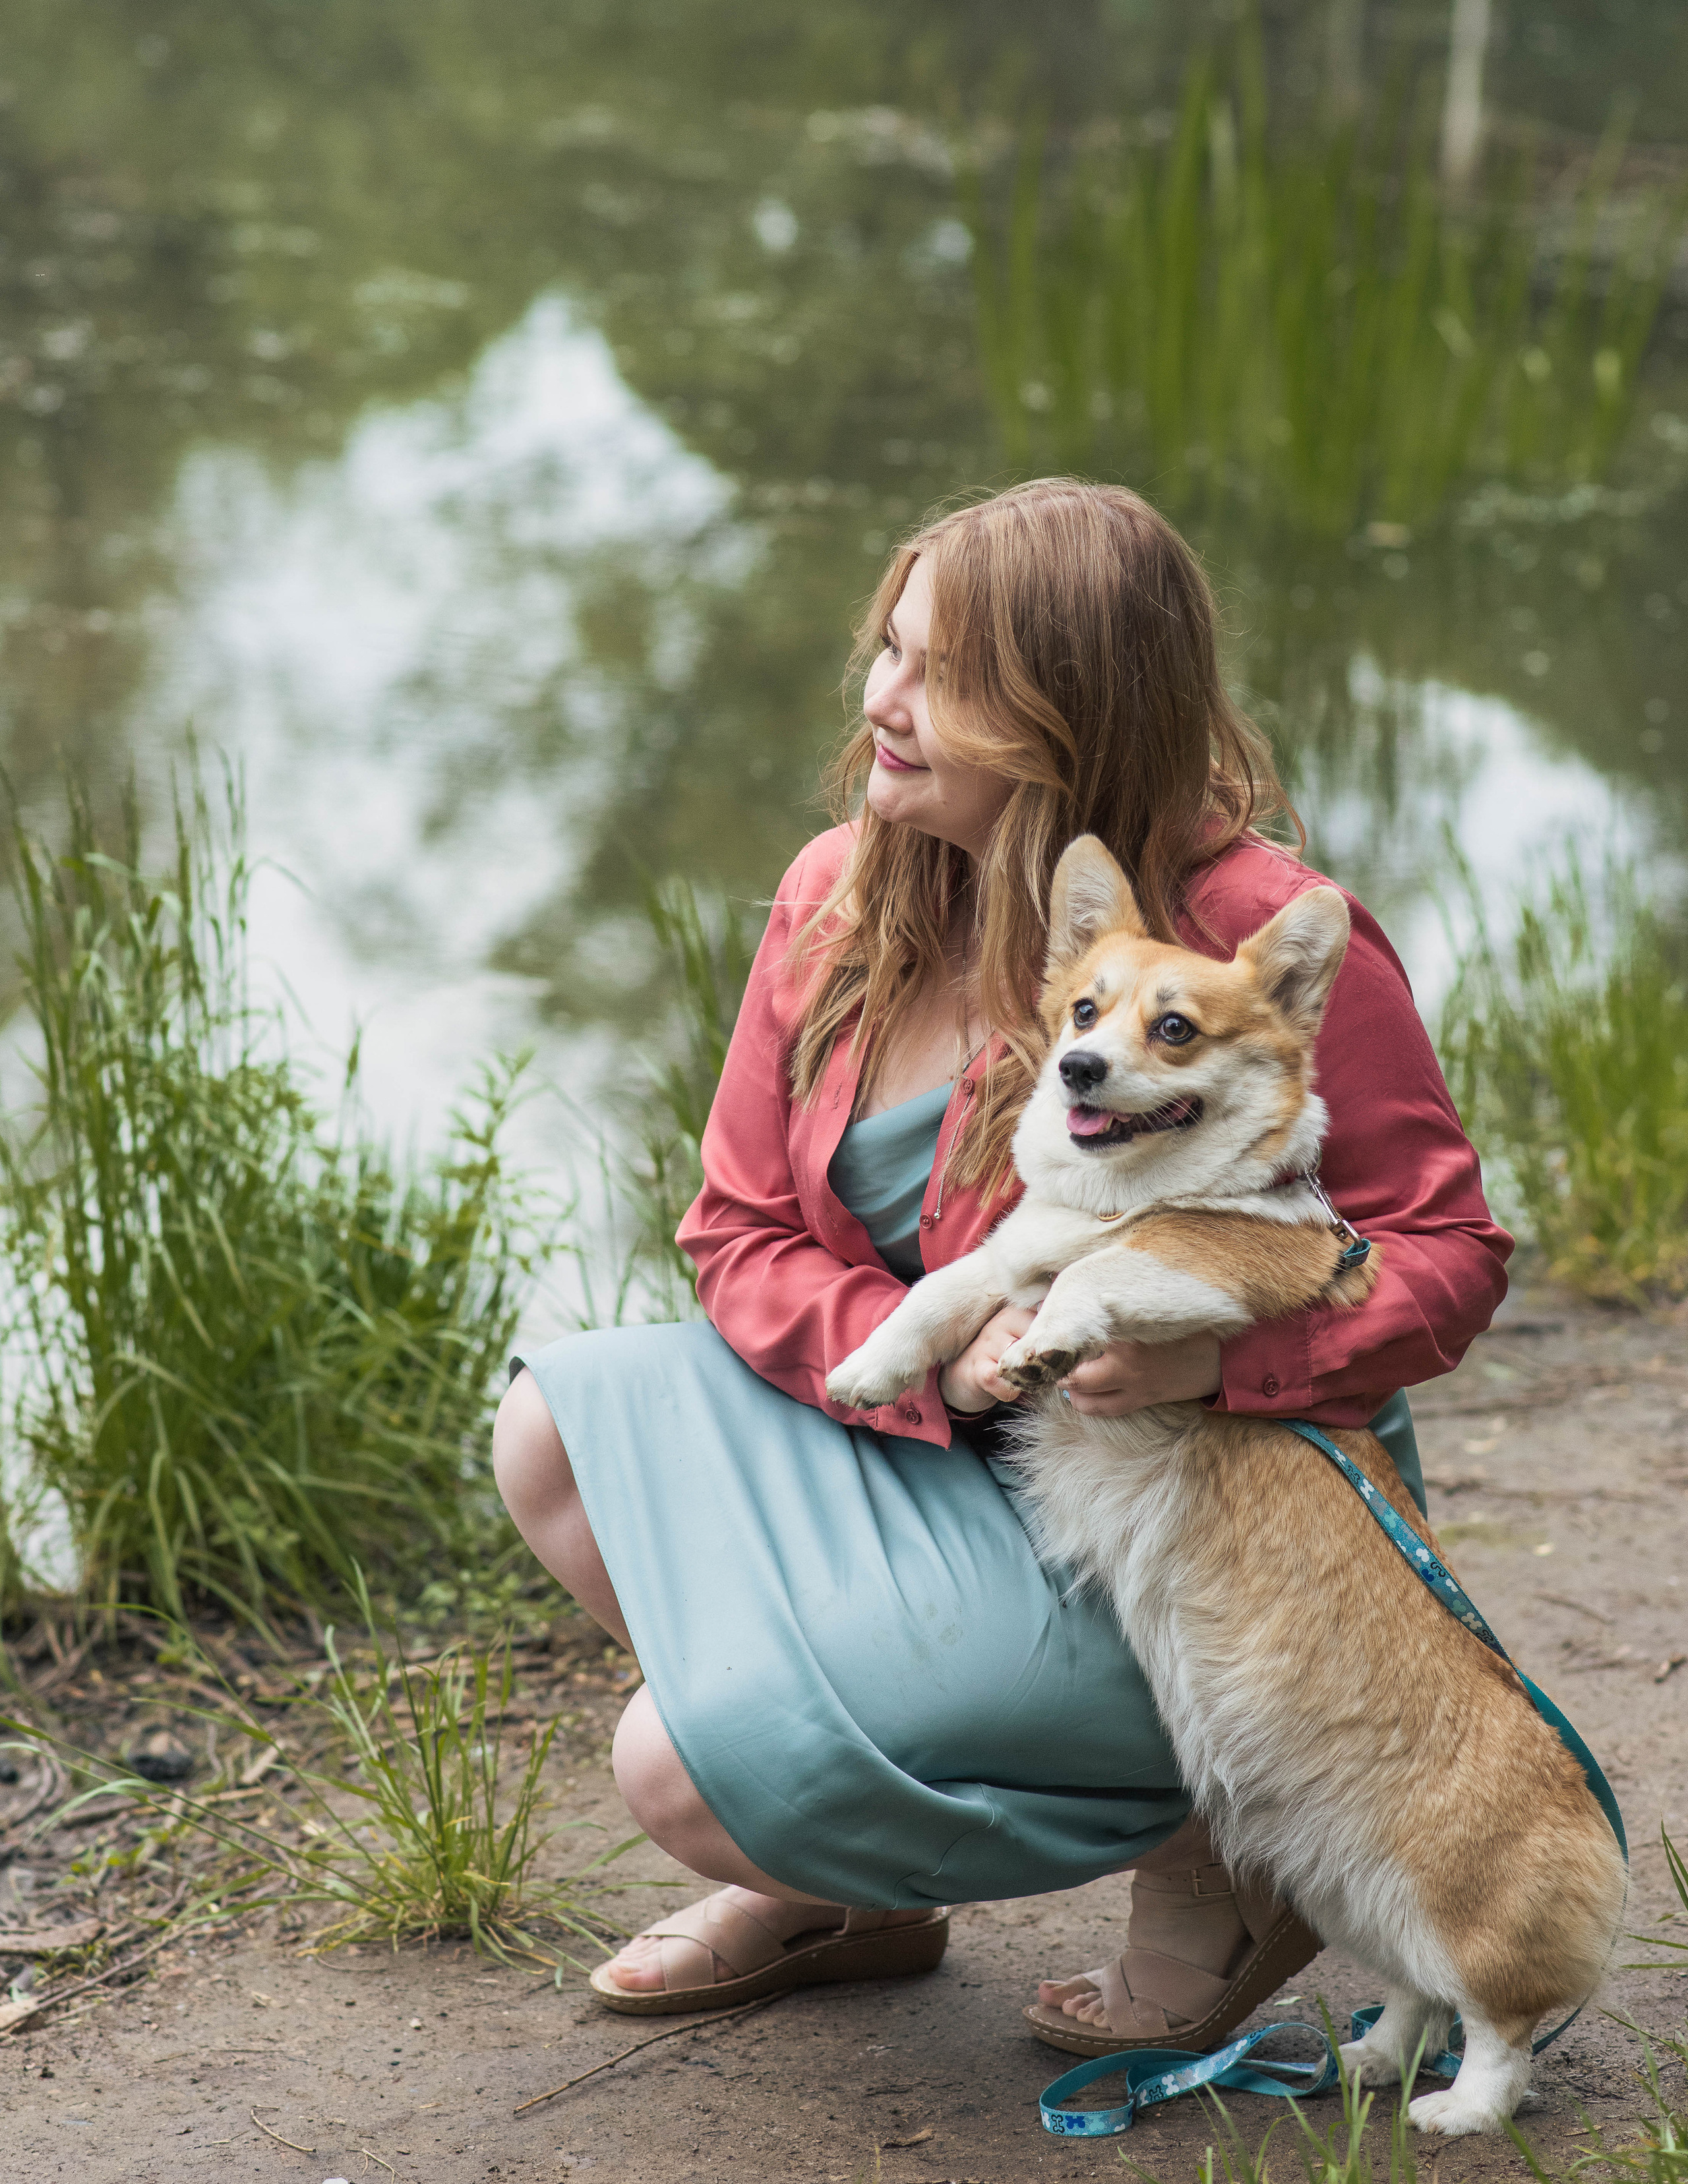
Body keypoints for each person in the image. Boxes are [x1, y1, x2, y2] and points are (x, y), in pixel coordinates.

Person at [492, 480, 1510, 2053]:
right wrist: (934, 1362)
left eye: (936, 677)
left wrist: (1215, 1361)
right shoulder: (843, 890)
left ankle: (1212, 1862)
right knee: (550, 1433)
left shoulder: (1251, 936)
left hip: (1178, 1515)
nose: (879, 702)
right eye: (885, 649)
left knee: (677, 1771)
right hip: (944, 1436)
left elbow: (1446, 1253)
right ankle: (853, 1891)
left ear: (1065, 715)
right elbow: (734, 1232)